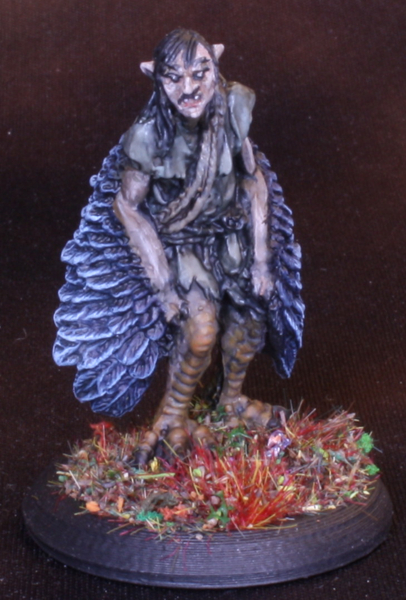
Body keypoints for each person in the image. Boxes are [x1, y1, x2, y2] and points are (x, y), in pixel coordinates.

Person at [53, 29, 304, 464]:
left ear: (215, 67)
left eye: (200, 73)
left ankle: (230, 400)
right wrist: (163, 284)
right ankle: (172, 414)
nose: (189, 88)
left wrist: (262, 258)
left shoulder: (234, 106)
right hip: (181, 245)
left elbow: (252, 178)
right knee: (201, 332)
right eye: (173, 77)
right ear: (156, 77)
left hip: (230, 235)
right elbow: (127, 206)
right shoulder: (148, 136)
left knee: (252, 320)